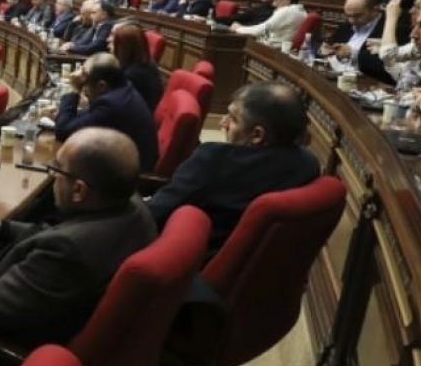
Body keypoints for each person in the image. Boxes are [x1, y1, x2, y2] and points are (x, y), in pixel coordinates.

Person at [0, 127, 156, 347]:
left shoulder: (69, 251)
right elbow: (54, 235)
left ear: (79, 190)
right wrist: (1, 227)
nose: (52, 174)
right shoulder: (133, 206)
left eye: (57, 168)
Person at [148, 83, 320, 253]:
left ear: (257, 135)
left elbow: (155, 213)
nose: (223, 122)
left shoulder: (214, 159)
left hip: (186, 257)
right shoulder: (308, 164)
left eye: (232, 118)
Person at [55, 53, 159, 172]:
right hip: (122, 163)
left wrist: (73, 89)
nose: (84, 89)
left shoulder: (111, 105)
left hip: (128, 179)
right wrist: (65, 114)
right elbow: (87, 117)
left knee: (60, 165)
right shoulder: (124, 88)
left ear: (102, 86)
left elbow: (63, 131)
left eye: (85, 83)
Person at [319, 0, 400, 82]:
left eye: (357, 16)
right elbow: (332, 46)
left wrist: (353, 54)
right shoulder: (346, 25)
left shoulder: (391, 28)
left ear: (375, 9)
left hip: (369, 82)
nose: (352, 20)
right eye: (348, 16)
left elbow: (387, 65)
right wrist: (328, 49)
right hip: (338, 77)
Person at [109, 21, 164, 111]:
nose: (108, 41)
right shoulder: (145, 62)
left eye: (114, 43)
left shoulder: (132, 75)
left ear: (124, 48)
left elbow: (118, 105)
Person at [231, 0, 307, 44]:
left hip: (271, 51)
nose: (273, 4)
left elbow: (261, 30)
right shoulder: (301, 11)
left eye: (276, 0)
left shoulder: (287, 11)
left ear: (287, 0)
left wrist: (238, 29)